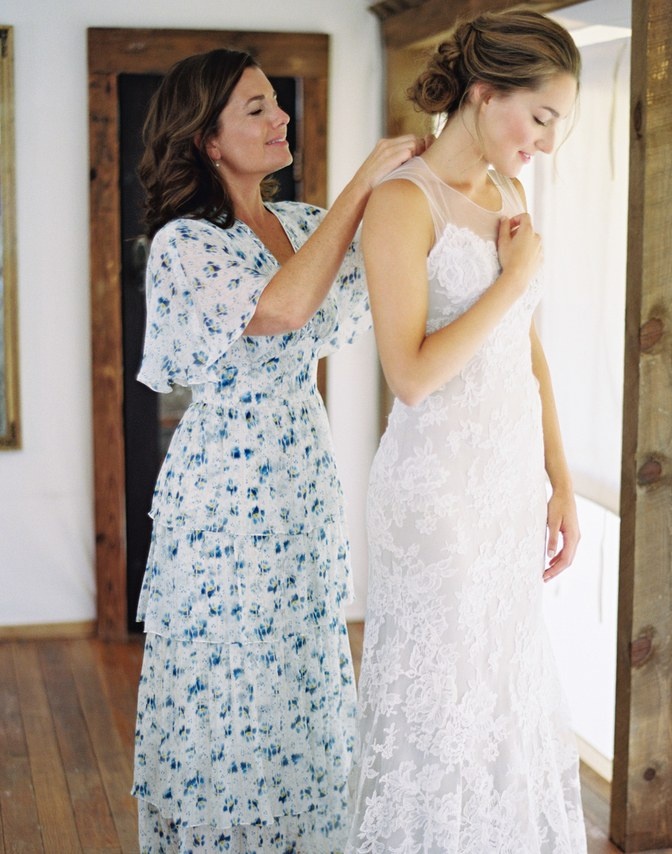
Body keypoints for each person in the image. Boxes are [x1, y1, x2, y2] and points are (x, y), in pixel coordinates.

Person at [130, 48, 425, 853]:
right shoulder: (184, 244)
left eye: (275, 102)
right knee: (235, 680)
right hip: (226, 488)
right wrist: (366, 177)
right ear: (208, 141)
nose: (278, 117)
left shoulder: (299, 222)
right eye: (254, 108)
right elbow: (286, 307)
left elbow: (397, 264)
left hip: (302, 468)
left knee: (302, 670)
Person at [347, 10, 588, 853]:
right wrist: (513, 274)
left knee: (500, 693)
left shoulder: (509, 195)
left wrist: (558, 479)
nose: (548, 144)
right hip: (437, 495)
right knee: (441, 703)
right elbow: (409, 375)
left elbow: (527, 351)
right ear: (486, 95)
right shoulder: (401, 205)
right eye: (543, 117)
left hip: (505, 484)